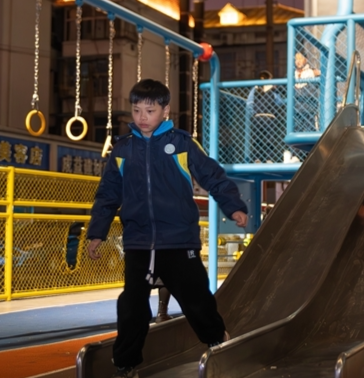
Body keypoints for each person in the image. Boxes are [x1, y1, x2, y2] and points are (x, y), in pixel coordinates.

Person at [86, 79, 249, 378]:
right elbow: (108, 194)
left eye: (150, 110)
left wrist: (234, 206)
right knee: (132, 305)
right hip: (138, 241)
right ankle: (125, 363)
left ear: (165, 110)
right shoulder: (122, 150)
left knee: (196, 298)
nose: (142, 117)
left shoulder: (182, 144)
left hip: (177, 240)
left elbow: (213, 176)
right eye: (136, 110)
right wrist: (97, 232)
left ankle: (218, 341)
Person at [246, 70, 285, 163]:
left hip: (261, 116)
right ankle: (265, 158)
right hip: (267, 117)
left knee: (262, 138)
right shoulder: (266, 90)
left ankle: (261, 158)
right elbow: (279, 102)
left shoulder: (257, 89)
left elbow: (249, 103)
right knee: (265, 138)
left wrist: (254, 112)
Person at [294, 52, 321, 132]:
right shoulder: (293, 74)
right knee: (296, 131)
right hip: (296, 109)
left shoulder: (312, 72)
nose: (298, 61)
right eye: (296, 59)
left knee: (310, 129)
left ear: (306, 59)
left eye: (300, 58)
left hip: (309, 108)